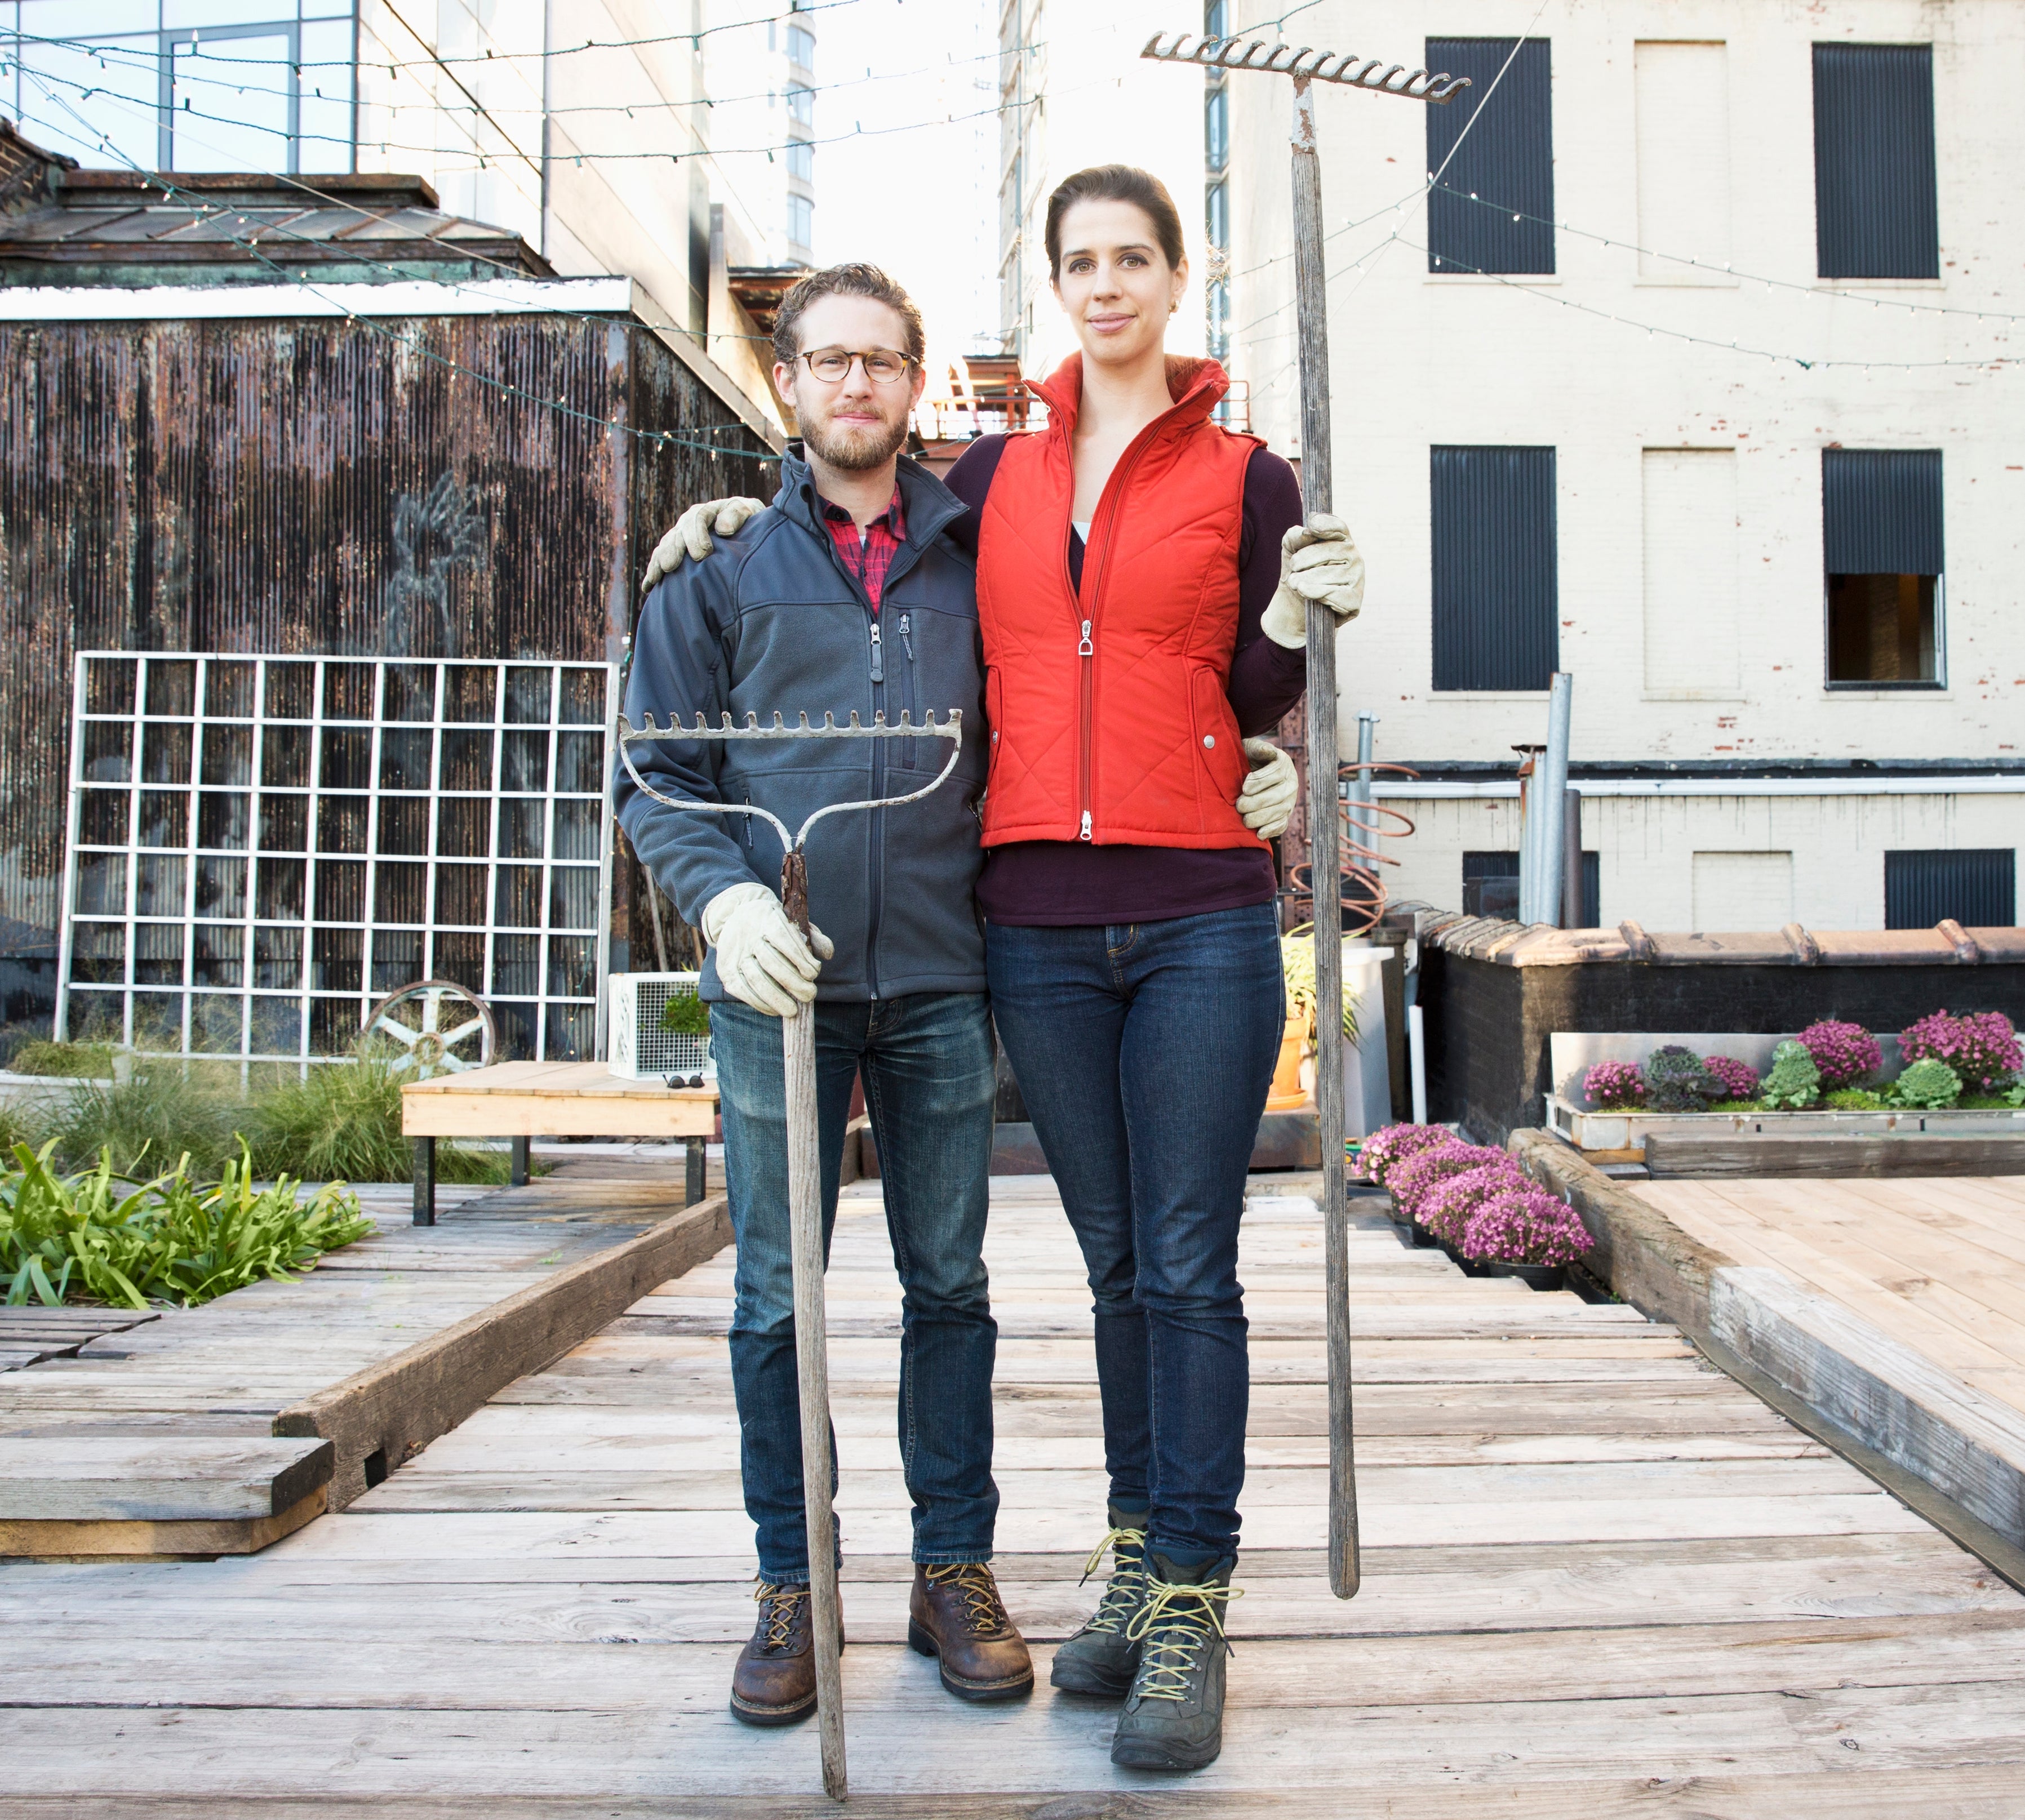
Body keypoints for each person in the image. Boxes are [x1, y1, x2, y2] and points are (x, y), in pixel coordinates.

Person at [645, 170, 1361, 1772]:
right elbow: (802, 595)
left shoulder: (1197, 480)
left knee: (1135, 1268)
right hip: (977, 935)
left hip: (1119, 925)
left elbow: (1232, 676)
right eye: (1080, 261)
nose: (1106, 283)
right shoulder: (961, 491)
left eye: (1133, 257)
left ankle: (1142, 1590)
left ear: (1177, 276)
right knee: (1067, 1271)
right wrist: (722, 523)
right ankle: (961, 1572)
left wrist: (1281, 701)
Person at [614, 263, 1034, 1729]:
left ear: (916, 383)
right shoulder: (715, 574)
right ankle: (792, 1583)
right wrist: (726, 903)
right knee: (774, 1297)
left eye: (883, 361)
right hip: (773, 987)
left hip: (939, 978)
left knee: (950, 1288)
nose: (857, 384)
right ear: (785, 383)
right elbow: (657, 772)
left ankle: (952, 1569)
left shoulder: (983, 559)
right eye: (829, 361)